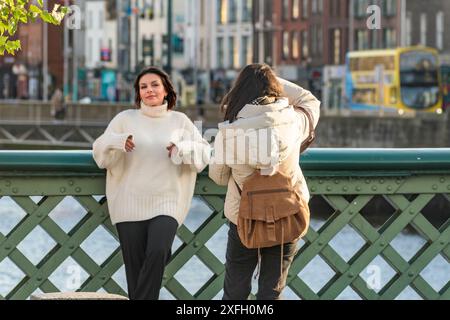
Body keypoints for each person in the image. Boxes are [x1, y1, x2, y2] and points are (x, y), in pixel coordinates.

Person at [92, 67, 211, 300]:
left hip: (168, 202)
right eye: (143, 87)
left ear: (166, 89)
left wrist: (181, 149)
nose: (149, 90)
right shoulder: (125, 119)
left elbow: (203, 154)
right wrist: (119, 141)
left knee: (158, 250)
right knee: (135, 272)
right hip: (129, 203)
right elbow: (99, 151)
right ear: (138, 93)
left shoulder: (180, 121)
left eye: (155, 85)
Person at [209, 63, 321, 300]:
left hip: (244, 217)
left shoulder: (228, 132)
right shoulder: (293, 122)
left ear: (239, 92)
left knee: (236, 290)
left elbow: (218, 177)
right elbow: (309, 100)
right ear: (275, 88)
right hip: (288, 213)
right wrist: (268, 78)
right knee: (271, 291)